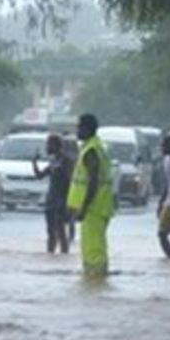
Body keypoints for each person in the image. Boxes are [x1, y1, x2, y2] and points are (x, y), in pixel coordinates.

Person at [66, 114, 115, 278]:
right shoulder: (95, 147)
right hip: (99, 206)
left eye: (79, 127)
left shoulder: (91, 151)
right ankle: (94, 281)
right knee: (93, 246)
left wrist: (84, 207)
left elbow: (92, 182)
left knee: (93, 249)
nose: (76, 130)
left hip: (93, 208)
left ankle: (96, 280)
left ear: (87, 129)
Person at [31, 134, 73, 254]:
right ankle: (50, 254)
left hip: (61, 200)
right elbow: (40, 176)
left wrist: (66, 202)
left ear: (56, 146)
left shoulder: (66, 161)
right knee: (50, 231)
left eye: (49, 145)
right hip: (51, 200)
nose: (47, 147)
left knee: (61, 231)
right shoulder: (53, 161)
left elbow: (70, 181)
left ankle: (64, 254)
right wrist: (34, 162)